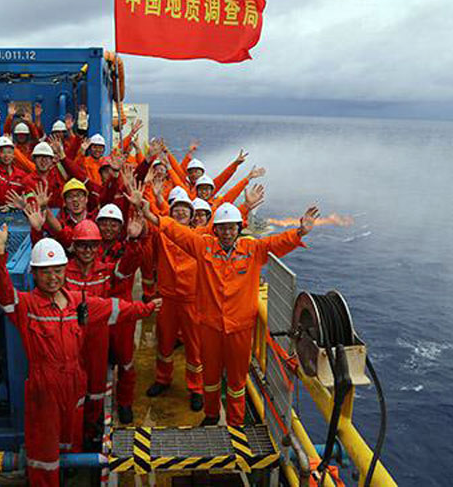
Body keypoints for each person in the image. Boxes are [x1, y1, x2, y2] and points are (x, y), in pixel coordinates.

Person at [0, 218, 161, 487]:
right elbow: (4, 293)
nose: (53, 277)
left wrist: (146, 309)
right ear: (34, 274)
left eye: (57, 271)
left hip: (75, 383)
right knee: (44, 454)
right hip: (45, 388)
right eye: (46, 272)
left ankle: (72, 473)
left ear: (65, 270)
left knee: (71, 439)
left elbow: (115, 308)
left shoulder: (78, 303)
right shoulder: (27, 306)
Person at [128, 187, 320, 426]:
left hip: (240, 328)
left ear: (239, 229)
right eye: (223, 228)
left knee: (237, 382)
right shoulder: (204, 247)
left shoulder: (252, 250)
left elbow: (276, 243)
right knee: (210, 375)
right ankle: (211, 414)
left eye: (232, 227)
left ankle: (236, 423)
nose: (228, 232)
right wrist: (151, 215)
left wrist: (300, 231)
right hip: (210, 326)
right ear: (215, 229)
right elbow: (177, 233)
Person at [61, 218, 143, 445]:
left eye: (92, 245)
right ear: (74, 247)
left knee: (97, 386)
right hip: (72, 339)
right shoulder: (63, 272)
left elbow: (127, 268)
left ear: (99, 247)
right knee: (73, 388)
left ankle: (92, 431)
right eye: (82, 245)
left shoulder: (106, 271)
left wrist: (134, 240)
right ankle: (75, 434)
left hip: (98, 339)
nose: (87, 250)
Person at [141, 189, 204, 411]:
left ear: (192, 216)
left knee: (194, 347)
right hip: (167, 297)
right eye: (176, 210)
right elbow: (147, 227)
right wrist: (143, 201)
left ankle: (196, 388)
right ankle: (162, 379)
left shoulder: (199, 239)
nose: (179, 214)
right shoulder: (161, 235)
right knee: (165, 342)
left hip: (190, 300)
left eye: (184, 211)